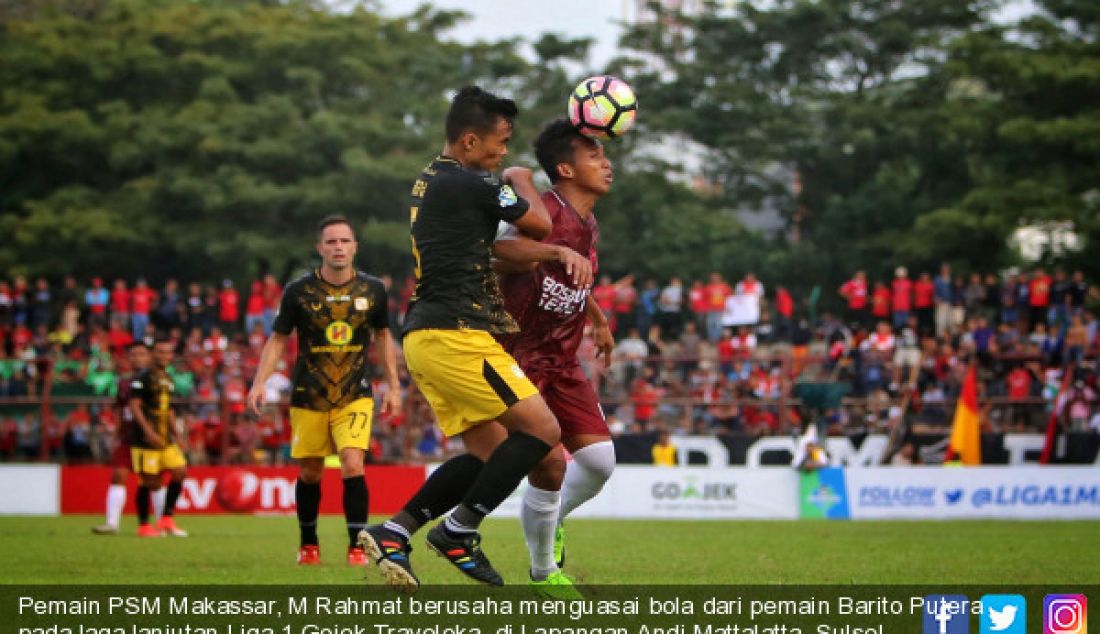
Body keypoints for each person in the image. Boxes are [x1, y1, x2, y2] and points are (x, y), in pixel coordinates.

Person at [359, 85, 558, 591]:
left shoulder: (432, 178)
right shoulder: (475, 182)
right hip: (457, 334)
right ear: (470, 141)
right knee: (541, 432)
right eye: (500, 142)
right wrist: (518, 179)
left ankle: (395, 530)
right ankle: (459, 529)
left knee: (491, 453)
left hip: (430, 334)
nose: (504, 153)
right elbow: (540, 223)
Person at [491, 119, 616, 595]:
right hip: (517, 358)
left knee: (601, 462)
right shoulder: (541, 210)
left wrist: (599, 320)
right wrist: (552, 251)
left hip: (562, 361)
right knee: (549, 466)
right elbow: (497, 251)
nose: (606, 163)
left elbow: (573, 274)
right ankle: (544, 572)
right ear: (565, 168)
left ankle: (551, 517)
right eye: (593, 156)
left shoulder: (589, 222)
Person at [247, 215, 400, 566]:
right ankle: (308, 544)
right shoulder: (298, 291)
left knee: (352, 462)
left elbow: (382, 337)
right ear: (320, 248)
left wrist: (392, 385)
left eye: (344, 241)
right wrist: (259, 382)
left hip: (355, 392)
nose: (338, 248)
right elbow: (278, 338)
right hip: (308, 392)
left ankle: (357, 546)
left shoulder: (373, 290)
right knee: (311, 471)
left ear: (355, 247)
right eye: (331, 242)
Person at [129, 337, 189, 537]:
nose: (164, 356)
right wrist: (148, 431)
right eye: (160, 352)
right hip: (146, 439)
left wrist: (177, 435)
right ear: (153, 354)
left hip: (166, 439)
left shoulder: (168, 379)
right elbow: (134, 406)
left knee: (180, 471)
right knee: (149, 481)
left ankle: (166, 518)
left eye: (167, 352)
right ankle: (144, 525)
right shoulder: (143, 377)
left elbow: (169, 409)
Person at [92, 342, 154, 535]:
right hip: (128, 435)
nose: (137, 358)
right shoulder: (123, 383)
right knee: (118, 475)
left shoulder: (157, 380)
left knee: (153, 480)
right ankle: (112, 523)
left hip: (150, 436)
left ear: (149, 357)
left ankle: (163, 522)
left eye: (142, 354)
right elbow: (120, 411)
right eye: (134, 355)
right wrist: (116, 435)